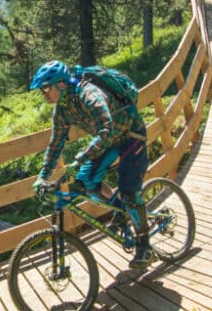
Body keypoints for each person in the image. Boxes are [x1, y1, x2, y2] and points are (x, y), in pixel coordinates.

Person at [29, 60, 154, 269]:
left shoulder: (89, 94)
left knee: (130, 193)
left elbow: (106, 130)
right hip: (107, 142)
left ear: (61, 84)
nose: (43, 93)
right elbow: (56, 142)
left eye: (45, 88)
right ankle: (120, 211)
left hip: (131, 136)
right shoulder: (62, 109)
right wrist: (43, 175)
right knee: (84, 182)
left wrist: (80, 158)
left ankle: (145, 246)